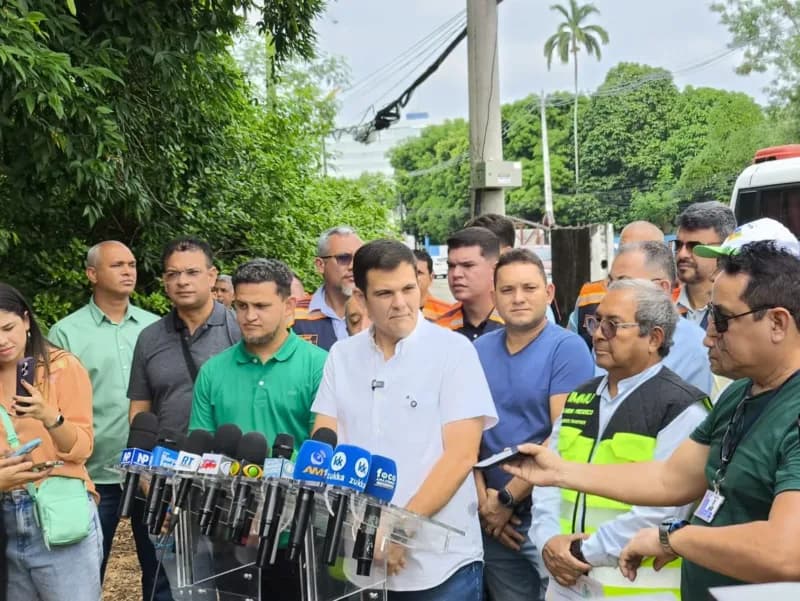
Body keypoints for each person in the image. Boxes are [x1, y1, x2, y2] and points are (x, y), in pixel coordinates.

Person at [506, 242, 800, 599]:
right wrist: (559, 472)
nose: (707, 335)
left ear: (777, 323)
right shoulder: (738, 396)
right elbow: (668, 478)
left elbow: (784, 552)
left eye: (721, 321)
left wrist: (673, 538)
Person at [312, 239, 498, 600]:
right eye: (384, 294)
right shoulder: (341, 356)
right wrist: (364, 527)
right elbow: (326, 436)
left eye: (408, 289)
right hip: (362, 557)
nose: (400, 303)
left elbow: (461, 455)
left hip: (441, 564)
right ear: (361, 300)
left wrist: (399, 528)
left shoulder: (453, 352)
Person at [530, 279, 709, 597]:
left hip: (632, 587)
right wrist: (547, 542)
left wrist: (580, 553)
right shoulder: (581, 398)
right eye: (596, 321)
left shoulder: (680, 407)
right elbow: (547, 482)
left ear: (654, 338)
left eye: (613, 325)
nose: (597, 333)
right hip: (566, 583)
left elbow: (666, 508)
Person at [190, 258, 327, 600]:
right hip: (227, 532)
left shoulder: (321, 366)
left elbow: (324, 452)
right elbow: (202, 450)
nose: (250, 316)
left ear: (288, 306)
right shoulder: (213, 371)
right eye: (242, 306)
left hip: (298, 535)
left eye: (262, 306)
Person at [475, 249, 594, 601]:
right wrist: (485, 504)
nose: (519, 298)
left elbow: (561, 437)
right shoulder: (479, 349)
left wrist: (508, 499)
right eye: (508, 290)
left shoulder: (567, 348)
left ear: (549, 293)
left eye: (529, 287)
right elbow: (464, 431)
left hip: (542, 513)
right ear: (494, 296)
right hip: (490, 519)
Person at [48, 241, 160, 587]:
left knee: (160, 574)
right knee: (83, 574)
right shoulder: (66, 333)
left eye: (132, 263)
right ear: (92, 274)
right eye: (117, 265)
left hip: (150, 470)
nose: (128, 271)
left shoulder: (155, 328)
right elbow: (55, 408)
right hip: (92, 473)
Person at [0, 283, 102, 600]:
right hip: (4, 521)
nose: (2, 341)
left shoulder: (59, 367)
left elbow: (82, 449)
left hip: (57, 512)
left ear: (27, 321)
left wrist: (49, 416)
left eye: (8, 328)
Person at [128, 237, 241, 434]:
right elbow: (139, 409)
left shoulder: (239, 330)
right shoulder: (149, 337)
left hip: (224, 460)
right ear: (165, 281)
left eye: (192, 272)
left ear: (212, 276)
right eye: (173, 274)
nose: (182, 281)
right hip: (164, 458)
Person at [607, 241, 713, 395]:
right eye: (610, 282)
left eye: (623, 283)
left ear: (661, 289)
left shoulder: (696, 347)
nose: (612, 292)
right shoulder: (605, 334)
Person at [568, 221, 665, 348]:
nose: (628, 256)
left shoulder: (670, 298)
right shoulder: (590, 294)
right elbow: (571, 346)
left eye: (640, 251)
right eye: (623, 249)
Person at [292, 226, 363, 350]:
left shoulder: (378, 312)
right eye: (343, 258)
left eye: (359, 259)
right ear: (320, 265)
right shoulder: (293, 314)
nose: (353, 266)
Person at [673, 201, 737, 329]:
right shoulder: (663, 304)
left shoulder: (739, 310)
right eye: (679, 245)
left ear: (723, 248)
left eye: (694, 246)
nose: (682, 254)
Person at [437, 227, 504, 341]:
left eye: (468, 265)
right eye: (451, 266)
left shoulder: (516, 325)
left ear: (495, 269)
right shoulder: (439, 330)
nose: (456, 274)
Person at [413, 249, 450, 321]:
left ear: (431, 277)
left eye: (419, 273)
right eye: (409, 272)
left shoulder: (447, 313)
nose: (413, 277)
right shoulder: (393, 312)